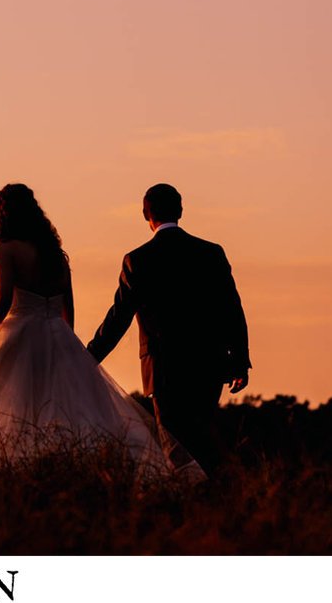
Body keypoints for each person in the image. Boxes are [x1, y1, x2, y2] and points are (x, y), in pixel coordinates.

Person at [0, 183, 174, 477]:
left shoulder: (3, 249)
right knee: (67, 413)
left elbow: (3, 299)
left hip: (19, 335)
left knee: (2, 410)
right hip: (58, 336)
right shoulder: (56, 255)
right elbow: (67, 309)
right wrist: (64, 344)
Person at [83, 182, 252, 478]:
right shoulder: (211, 253)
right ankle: (214, 501)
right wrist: (239, 360)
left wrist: (87, 358)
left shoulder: (138, 260)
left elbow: (118, 317)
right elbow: (231, 310)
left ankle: (194, 502)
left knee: (175, 448)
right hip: (208, 365)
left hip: (163, 369)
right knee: (201, 440)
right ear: (181, 210)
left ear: (145, 215)